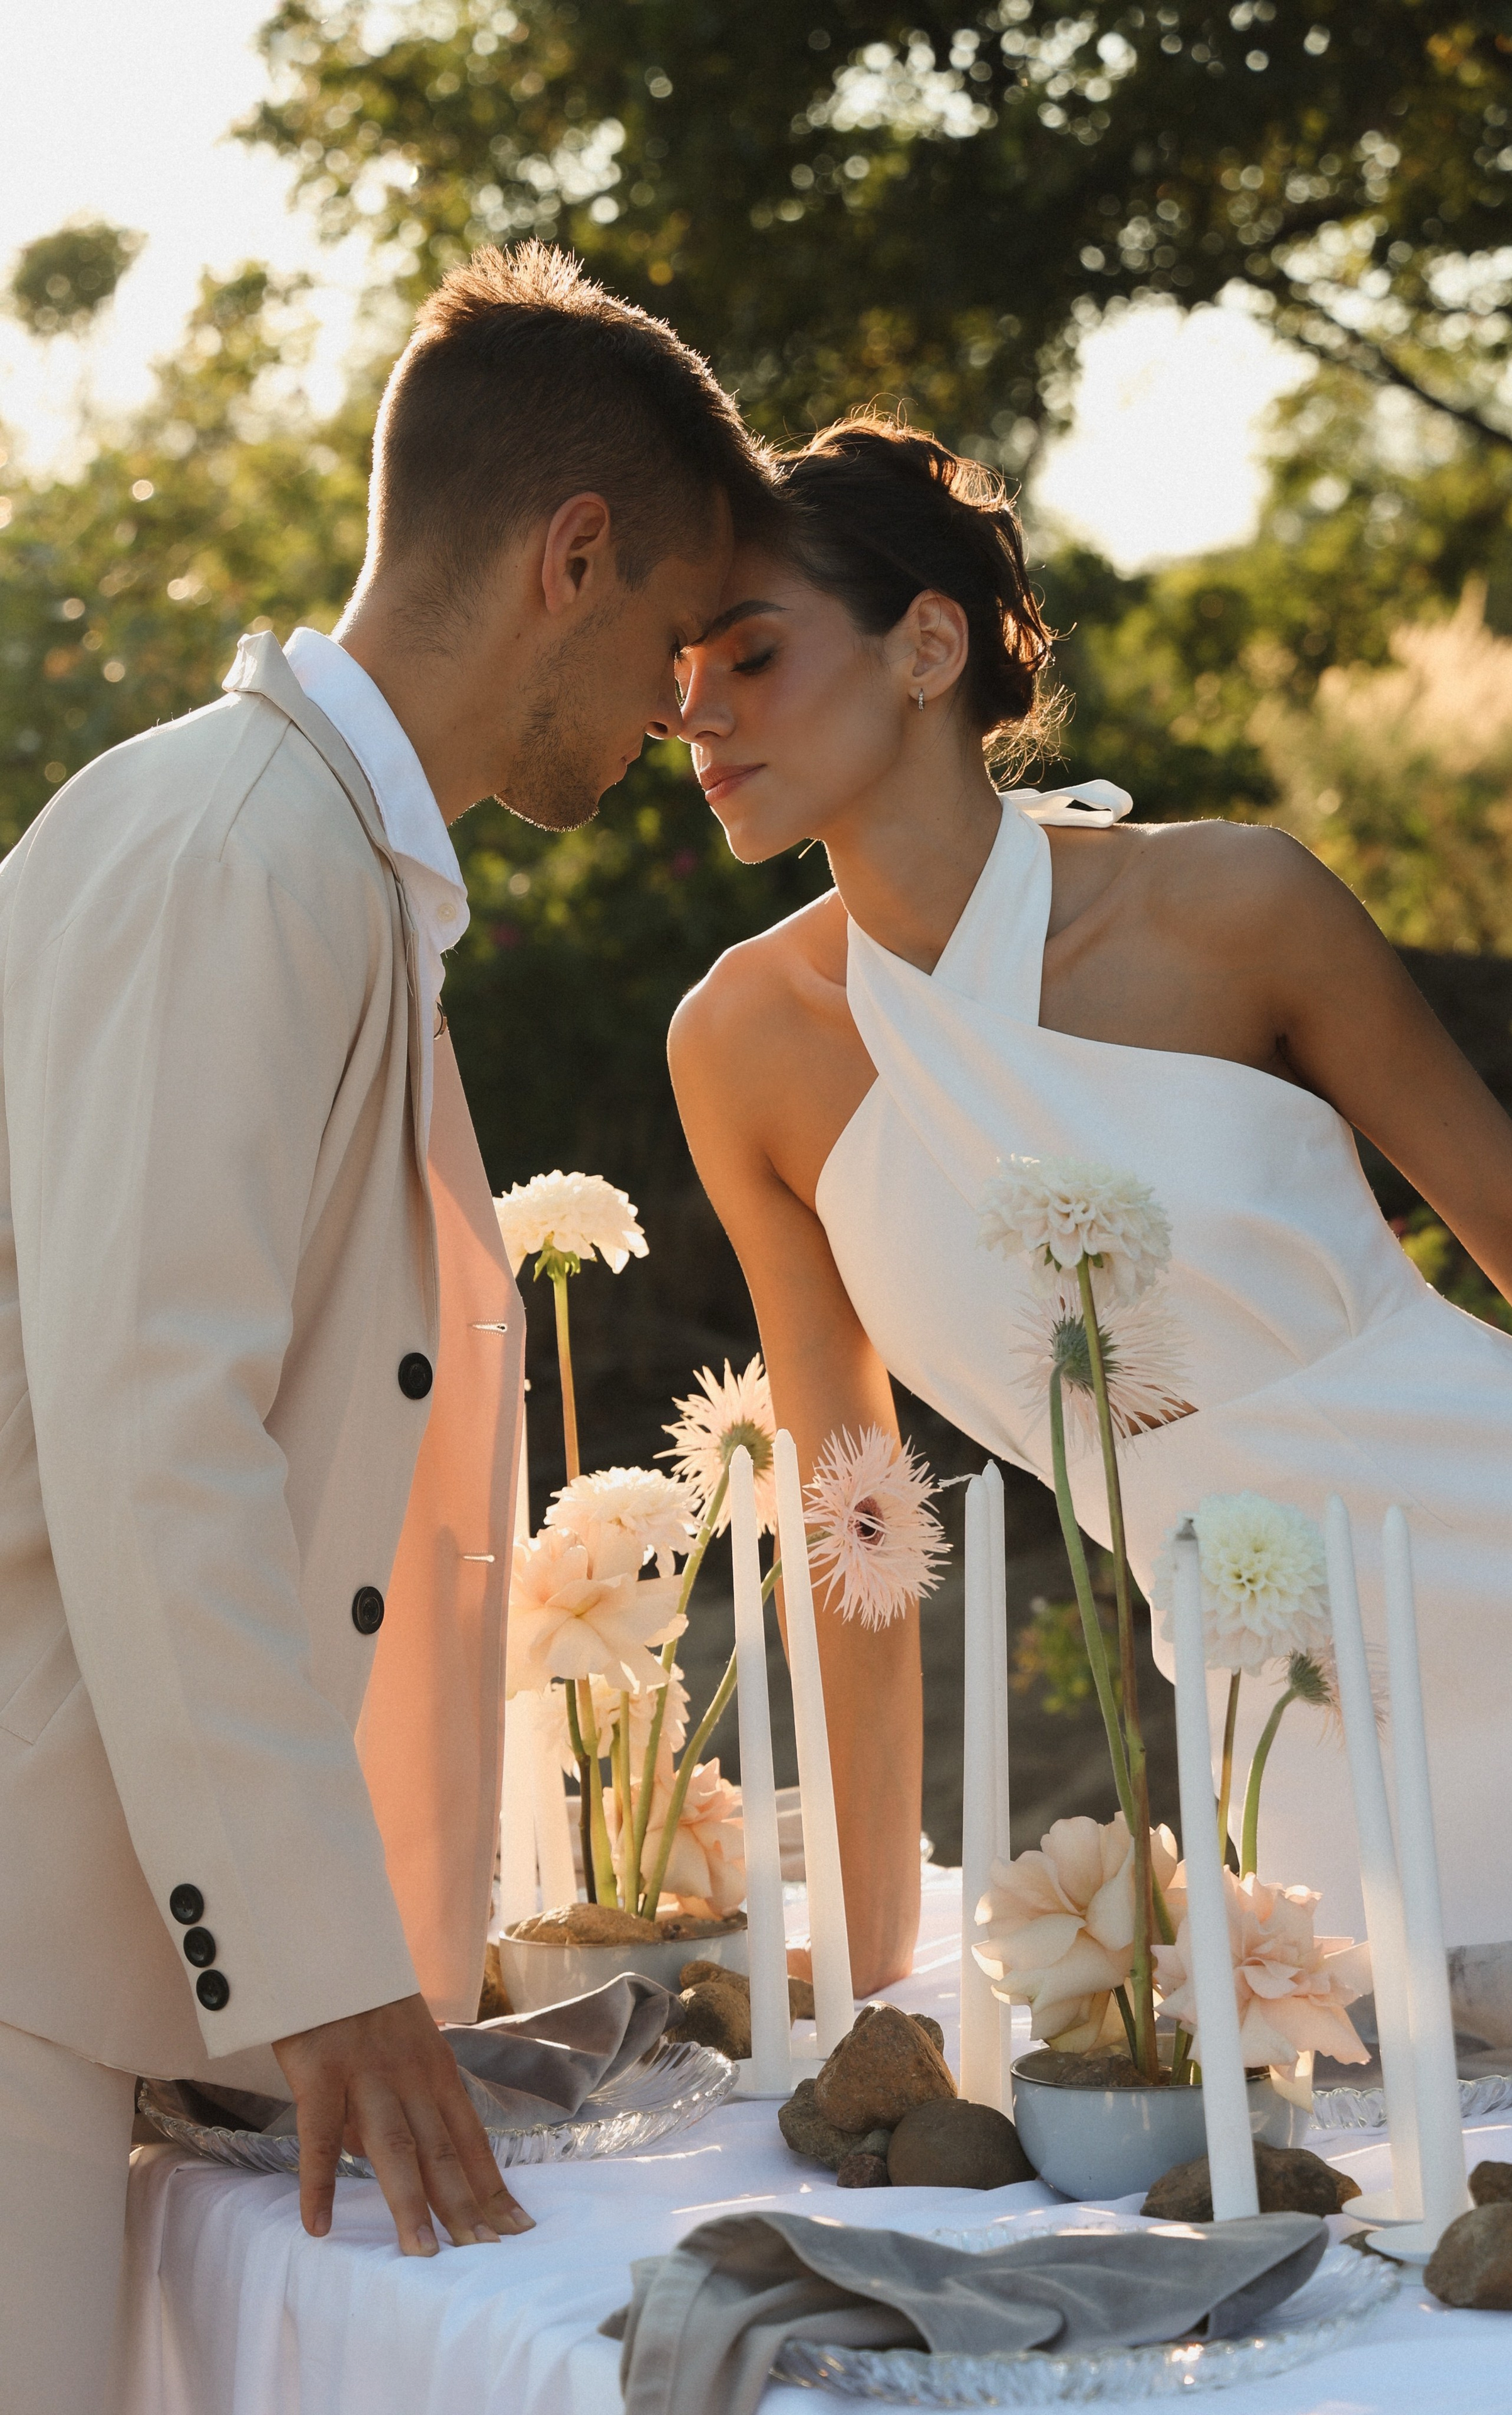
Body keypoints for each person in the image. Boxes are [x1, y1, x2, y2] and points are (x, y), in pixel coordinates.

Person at [0, 241, 774, 2414]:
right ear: (574, 553)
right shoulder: (245, 852)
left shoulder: (312, 856)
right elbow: (162, 1440)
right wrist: (328, 1979)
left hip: (103, 1975)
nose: (676, 710)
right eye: (670, 641)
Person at [667, 413, 1512, 2001]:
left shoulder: (1234, 906)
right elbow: (856, 1516)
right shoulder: (742, 1046)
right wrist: (869, 1946)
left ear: (925, 645)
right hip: (1278, 1694)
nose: (691, 712)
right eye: (679, 674)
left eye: (748, 657)